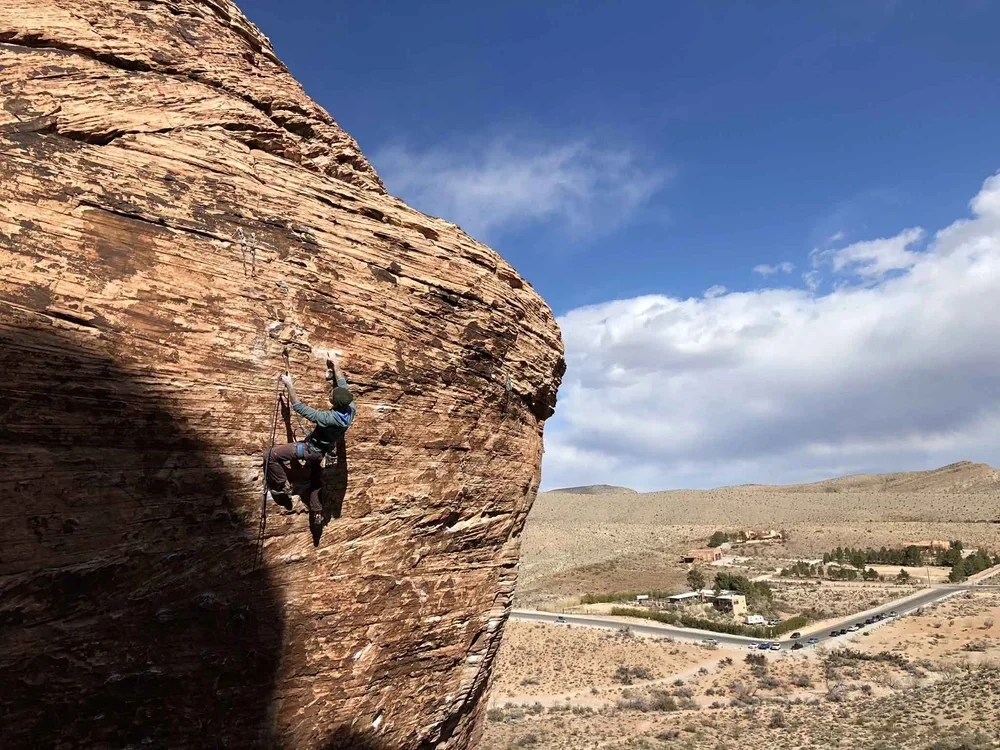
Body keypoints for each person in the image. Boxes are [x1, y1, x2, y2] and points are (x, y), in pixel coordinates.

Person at [266, 353, 355, 529]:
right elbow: (342, 383)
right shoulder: (351, 409)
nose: (330, 393)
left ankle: (283, 485)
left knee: (271, 455)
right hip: (321, 453)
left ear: (334, 403)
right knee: (315, 478)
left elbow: (299, 407)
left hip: (309, 450)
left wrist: (290, 385)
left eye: (332, 395)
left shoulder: (328, 418)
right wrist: (335, 363)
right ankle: (317, 512)